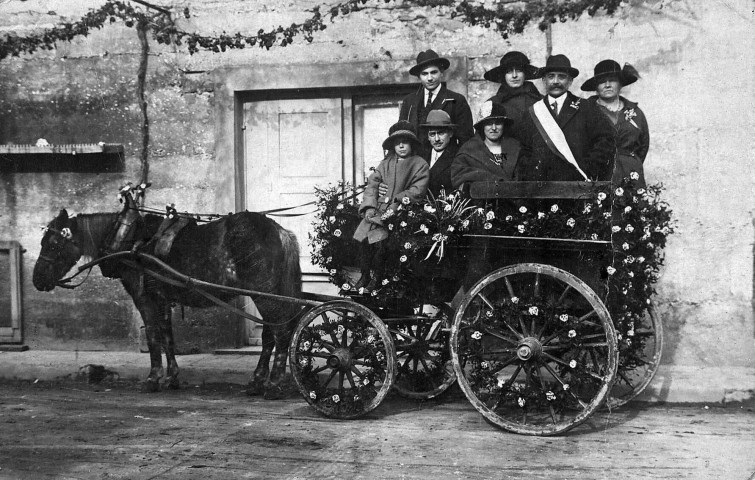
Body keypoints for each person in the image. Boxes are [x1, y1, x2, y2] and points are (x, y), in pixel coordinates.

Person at [351, 120, 429, 291]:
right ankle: (365, 275)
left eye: (405, 141)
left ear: (412, 144)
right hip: (378, 210)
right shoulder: (386, 163)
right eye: (397, 142)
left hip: (399, 212)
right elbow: (373, 184)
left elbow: (417, 190)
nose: (401, 145)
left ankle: (377, 278)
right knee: (363, 239)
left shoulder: (419, 164)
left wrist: (398, 200)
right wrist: (370, 206)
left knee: (381, 243)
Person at [515, 54, 616, 181]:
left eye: (561, 77)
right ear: (544, 80)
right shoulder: (532, 112)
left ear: (570, 81)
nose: (556, 81)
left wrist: (587, 170)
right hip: (542, 188)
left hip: (578, 183)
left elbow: (604, 142)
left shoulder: (587, 108)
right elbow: (525, 152)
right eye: (551, 76)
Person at [581, 59, 650, 187]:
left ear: (620, 83)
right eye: (602, 81)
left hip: (631, 175)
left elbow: (643, 146)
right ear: (596, 86)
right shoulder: (586, 112)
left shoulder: (635, 112)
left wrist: (629, 162)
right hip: (599, 175)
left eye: (612, 80)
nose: (607, 85)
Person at [399, 49, 475, 159]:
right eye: (424, 74)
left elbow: (466, 140)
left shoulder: (457, 100)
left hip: (446, 165)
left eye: (434, 72)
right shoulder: (409, 101)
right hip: (415, 165)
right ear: (419, 76)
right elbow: (401, 136)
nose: (429, 78)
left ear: (442, 72)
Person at [450, 101, 520, 189]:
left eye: (498, 123)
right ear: (482, 126)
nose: (494, 128)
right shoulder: (469, 150)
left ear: (504, 125)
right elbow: (458, 178)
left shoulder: (516, 147)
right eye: (489, 123)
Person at [485, 51, 543, 131]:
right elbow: (480, 138)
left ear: (525, 73)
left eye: (519, 70)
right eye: (509, 71)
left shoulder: (541, 101)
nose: (514, 75)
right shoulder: (492, 104)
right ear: (503, 75)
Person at [421, 109, 459, 197]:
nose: (437, 139)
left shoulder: (458, 156)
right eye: (432, 134)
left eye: (441, 133)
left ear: (450, 133)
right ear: (428, 136)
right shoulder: (421, 155)